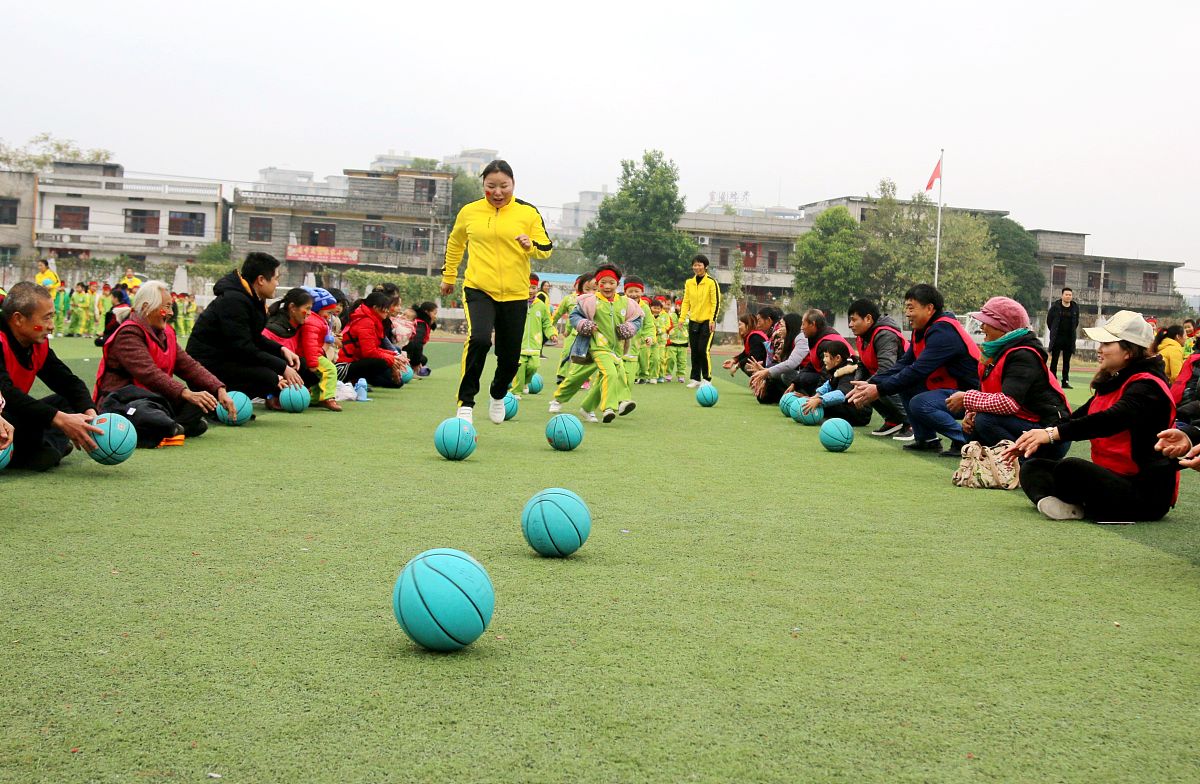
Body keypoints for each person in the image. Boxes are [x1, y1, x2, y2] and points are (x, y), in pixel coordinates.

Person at [1008, 310, 1179, 522]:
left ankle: (1079, 506)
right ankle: (1066, 505)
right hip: (1111, 477)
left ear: (1128, 351)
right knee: (1033, 467)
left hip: (1145, 492)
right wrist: (1036, 436)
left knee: (1069, 468)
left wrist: (1052, 434)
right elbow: (1075, 418)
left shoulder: (1147, 387)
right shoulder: (1115, 381)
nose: (1100, 350)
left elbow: (1109, 420)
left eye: (1107, 344)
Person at [440, 160, 553, 425]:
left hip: (515, 293)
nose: (498, 192)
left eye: (504, 186)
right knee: (479, 339)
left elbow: (546, 248)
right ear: (484, 186)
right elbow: (456, 243)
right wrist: (449, 276)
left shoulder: (527, 212)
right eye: (491, 186)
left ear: (513, 184)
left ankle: (498, 393)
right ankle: (465, 403)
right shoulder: (470, 212)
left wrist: (530, 244)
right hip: (479, 288)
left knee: (511, 356)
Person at [847, 284, 981, 457]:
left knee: (920, 402)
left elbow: (917, 370)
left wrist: (878, 390)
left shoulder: (944, 332)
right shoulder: (922, 330)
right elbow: (903, 364)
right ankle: (926, 440)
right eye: (906, 308)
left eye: (911, 308)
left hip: (971, 395)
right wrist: (870, 384)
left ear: (929, 308)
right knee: (906, 386)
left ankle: (967, 441)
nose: (907, 313)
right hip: (949, 389)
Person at [94, 280, 236, 443]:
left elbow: (189, 366)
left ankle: (170, 427)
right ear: (146, 307)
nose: (170, 313)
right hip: (125, 401)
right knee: (145, 411)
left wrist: (219, 389)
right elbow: (149, 374)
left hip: (156, 400)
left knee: (204, 400)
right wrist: (185, 393)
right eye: (166, 307)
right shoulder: (128, 334)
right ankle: (170, 426)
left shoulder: (166, 333)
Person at [948, 296, 1070, 460]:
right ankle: (1001, 464)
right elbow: (986, 392)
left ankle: (1028, 464)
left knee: (985, 421)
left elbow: (1008, 403)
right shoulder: (996, 353)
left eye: (987, 322)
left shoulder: (1023, 355)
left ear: (1003, 327)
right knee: (971, 425)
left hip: (1049, 434)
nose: (981, 326)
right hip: (1024, 424)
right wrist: (970, 413)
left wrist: (966, 398)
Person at [0, 282, 103, 470]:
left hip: (14, 414)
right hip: (4, 415)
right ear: (18, 319)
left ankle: (42, 447)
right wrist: (60, 420)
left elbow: (69, 383)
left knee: (69, 403)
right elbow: (6, 393)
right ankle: (45, 447)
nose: (51, 327)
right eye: (46, 319)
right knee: (36, 436)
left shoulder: (37, 345)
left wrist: (91, 416)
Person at [186, 252, 305, 399]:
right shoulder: (233, 301)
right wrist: (280, 369)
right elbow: (243, 348)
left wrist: (281, 350)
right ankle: (219, 403)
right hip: (206, 366)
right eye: (276, 278)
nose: (277, 284)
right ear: (261, 280)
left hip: (228, 358)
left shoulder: (252, 299)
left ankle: (275, 393)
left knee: (297, 365)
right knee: (268, 378)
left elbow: (254, 338)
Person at [550, 264, 640, 423]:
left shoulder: (626, 302)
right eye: (602, 283)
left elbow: (637, 320)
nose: (607, 286)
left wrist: (630, 327)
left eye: (611, 282)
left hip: (615, 350)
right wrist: (583, 324)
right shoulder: (588, 301)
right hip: (593, 348)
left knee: (611, 377)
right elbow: (574, 316)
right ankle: (559, 399)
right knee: (579, 376)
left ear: (617, 284)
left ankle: (588, 408)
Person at [846, 299, 910, 437]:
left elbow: (887, 368)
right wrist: (857, 385)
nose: (850, 325)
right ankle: (893, 421)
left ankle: (911, 423)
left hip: (910, 383)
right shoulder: (862, 336)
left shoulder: (885, 334)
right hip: (892, 378)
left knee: (879, 385)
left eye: (853, 320)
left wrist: (866, 385)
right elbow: (863, 364)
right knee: (866, 386)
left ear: (868, 318)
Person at [261, 288, 330, 410]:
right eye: (307, 308)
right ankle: (271, 395)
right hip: (270, 374)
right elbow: (262, 360)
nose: (309, 313)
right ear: (292, 308)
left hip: (286, 371)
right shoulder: (272, 329)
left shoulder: (301, 326)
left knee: (313, 369)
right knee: (300, 364)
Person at [337, 290, 408, 388]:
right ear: (375, 308)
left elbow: (374, 349)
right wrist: (392, 359)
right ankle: (353, 381)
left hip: (353, 362)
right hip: (341, 367)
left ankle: (359, 381)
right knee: (382, 362)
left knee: (396, 382)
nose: (388, 311)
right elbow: (369, 352)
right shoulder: (366, 321)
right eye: (385, 308)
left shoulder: (373, 321)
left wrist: (394, 356)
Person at [800, 342, 872, 426]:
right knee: (823, 402)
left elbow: (841, 394)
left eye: (826, 356)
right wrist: (813, 398)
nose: (823, 360)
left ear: (837, 358)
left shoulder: (849, 373)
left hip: (860, 413)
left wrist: (819, 400)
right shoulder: (839, 371)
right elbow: (827, 385)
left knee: (825, 405)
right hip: (851, 408)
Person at [747, 313, 808, 404]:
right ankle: (786, 398)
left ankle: (806, 398)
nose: (779, 330)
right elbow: (778, 364)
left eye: (782, 326)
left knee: (786, 374)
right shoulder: (786, 341)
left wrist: (766, 372)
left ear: (790, 327)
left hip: (808, 377)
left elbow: (791, 364)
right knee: (763, 398)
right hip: (799, 375)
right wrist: (765, 375)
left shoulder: (801, 338)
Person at [680, 254, 721, 388]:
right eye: (695, 265)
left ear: (705, 266)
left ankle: (707, 378)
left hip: (707, 322)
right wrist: (682, 318)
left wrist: (712, 320)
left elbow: (716, 302)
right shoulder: (689, 282)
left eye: (699, 265)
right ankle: (695, 378)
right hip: (693, 321)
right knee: (695, 350)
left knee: (703, 350)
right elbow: (686, 301)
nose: (697, 267)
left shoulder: (711, 282)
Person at [511, 277, 556, 396]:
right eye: (528, 287)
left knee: (533, 366)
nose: (530, 290)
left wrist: (552, 334)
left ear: (537, 289)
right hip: (520, 343)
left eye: (533, 288)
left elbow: (547, 322)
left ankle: (526, 382)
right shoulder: (517, 303)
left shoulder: (541, 305)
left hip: (535, 344)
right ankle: (516, 392)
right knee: (520, 368)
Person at [793, 309, 854, 395]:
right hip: (835, 376)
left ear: (813, 324)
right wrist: (794, 382)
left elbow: (826, 374)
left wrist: (816, 397)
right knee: (802, 377)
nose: (801, 328)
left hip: (844, 379)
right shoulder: (818, 337)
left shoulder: (825, 343)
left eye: (803, 324)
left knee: (805, 378)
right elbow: (812, 364)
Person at [552, 274, 594, 383]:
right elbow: (563, 314)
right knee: (566, 354)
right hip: (571, 333)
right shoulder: (569, 299)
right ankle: (561, 375)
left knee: (584, 356)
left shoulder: (595, 299)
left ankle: (583, 379)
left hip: (589, 334)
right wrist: (552, 327)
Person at [1046, 287, 1080, 388]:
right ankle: (1052, 381)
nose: (1068, 296)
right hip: (1057, 338)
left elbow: (1076, 321)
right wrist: (1053, 331)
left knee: (1066, 361)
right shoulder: (1055, 307)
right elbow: (1049, 321)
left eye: (1070, 295)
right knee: (1054, 360)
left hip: (1069, 338)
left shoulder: (1075, 307)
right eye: (1066, 294)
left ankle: (1065, 381)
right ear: (1062, 295)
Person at [403, 301, 438, 378]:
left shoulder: (422, 323)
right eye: (434, 313)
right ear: (427, 312)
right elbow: (416, 344)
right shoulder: (420, 324)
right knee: (419, 358)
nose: (436, 316)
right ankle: (409, 370)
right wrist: (416, 363)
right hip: (404, 350)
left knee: (423, 359)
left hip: (407, 350)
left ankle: (411, 367)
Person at [1170, 351, 1200, 423]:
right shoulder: (1197, 360)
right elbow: (1194, 385)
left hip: (1176, 394)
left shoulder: (1193, 356)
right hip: (1187, 398)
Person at [34, 261, 62, 338]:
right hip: (41, 297)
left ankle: (50, 332)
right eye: (38, 265)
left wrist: (50, 287)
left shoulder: (51, 274)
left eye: (41, 265)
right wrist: (42, 287)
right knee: (42, 314)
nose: (39, 267)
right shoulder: (38, 275)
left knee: (51, 314)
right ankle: (42, 331)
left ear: (46, 266)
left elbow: (58, 283)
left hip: (52, 297)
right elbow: (36, 285)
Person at [665, 299, 689, 382]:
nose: (680, 307)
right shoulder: (671, 315)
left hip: (684, 342)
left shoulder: (689, 316)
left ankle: (681, 375)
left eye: (682, 305)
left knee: (682, 360)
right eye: (678, 305)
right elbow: (667, 325)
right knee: (670, 359)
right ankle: (668, 374)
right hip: (672, 341)